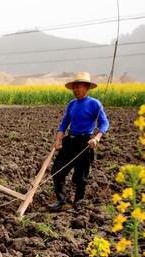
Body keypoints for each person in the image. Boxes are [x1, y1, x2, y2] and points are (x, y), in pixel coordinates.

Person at [48, 71, 109, 210]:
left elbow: (104, 124)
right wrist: (58, 140)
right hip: (70, 140)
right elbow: (63, 124)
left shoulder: (95, 104)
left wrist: (96, 138)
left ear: (87, 87)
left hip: (85, 142)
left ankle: (78, 203)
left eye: (78, 87)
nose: (75, 90)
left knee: (81, 176)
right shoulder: (72, 104)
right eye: (74, 87)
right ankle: (62, 201)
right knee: (57, 171)